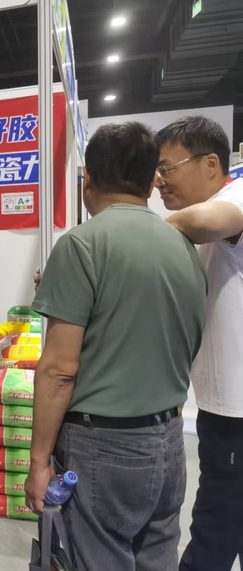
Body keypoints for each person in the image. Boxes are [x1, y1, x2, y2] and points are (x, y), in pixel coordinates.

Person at [24, 122, 207, 571]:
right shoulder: (183, 246)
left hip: (102, 446)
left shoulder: (82, 244)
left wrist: (38, 462)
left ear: (87, 178)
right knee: (157, 559)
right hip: (169, 440)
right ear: (151, 181)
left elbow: (59, 370)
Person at [153, 116, 243, 571]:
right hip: (222, 406)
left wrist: (125, 235)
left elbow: (208, 219)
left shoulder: (235, 197)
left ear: (210, 164)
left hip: (238, 413)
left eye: (167, 168)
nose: (158, 181)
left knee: (215, 528)